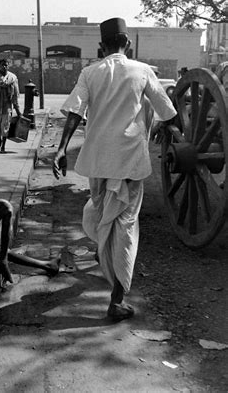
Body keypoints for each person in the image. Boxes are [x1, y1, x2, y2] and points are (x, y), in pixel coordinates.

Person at [52, 17, 177, 322]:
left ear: (101, 47)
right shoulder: (143, 70)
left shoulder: (90, 72)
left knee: (101, 209)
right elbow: (167, 112)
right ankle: (116, 300)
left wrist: (60, 149)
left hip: (97, 161)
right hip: (129, 162)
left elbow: (74, 112)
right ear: (128, 45)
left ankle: (103, 256)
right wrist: (164, 128)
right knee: (125, 227)